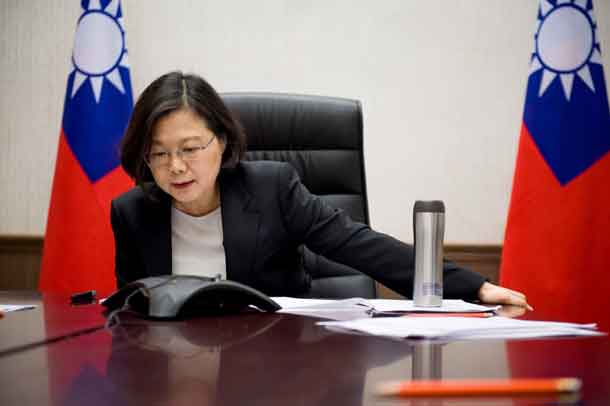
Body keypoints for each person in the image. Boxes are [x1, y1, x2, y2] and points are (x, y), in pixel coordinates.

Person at [111, 71, 531, 309]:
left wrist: (475, 287)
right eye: (159, 154)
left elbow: (358, 244)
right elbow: (135, 307)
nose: (176, 167)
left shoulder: (271, 188)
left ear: (221, 141)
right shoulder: (132, 211)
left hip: (276, 366)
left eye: (189, 149)